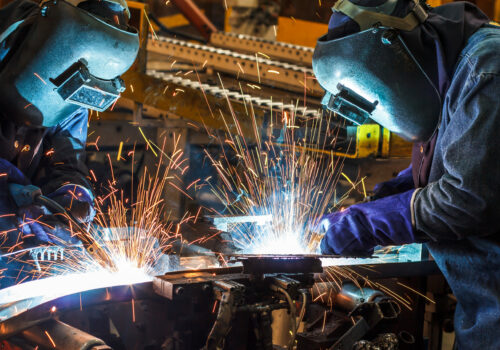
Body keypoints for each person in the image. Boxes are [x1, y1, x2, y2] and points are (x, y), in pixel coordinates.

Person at [313, 0, 499, 348]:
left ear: (394, 46)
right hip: (484, 311)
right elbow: (463, 158)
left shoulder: (487, 69)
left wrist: (369, 222)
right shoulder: (453, 70)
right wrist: (382, 200)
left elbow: (469, 199)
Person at [0, 0, 139, 286]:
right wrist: (16, 201)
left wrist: (72, 196)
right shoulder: (21, 50)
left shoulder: (77, 83)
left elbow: (66, 159)